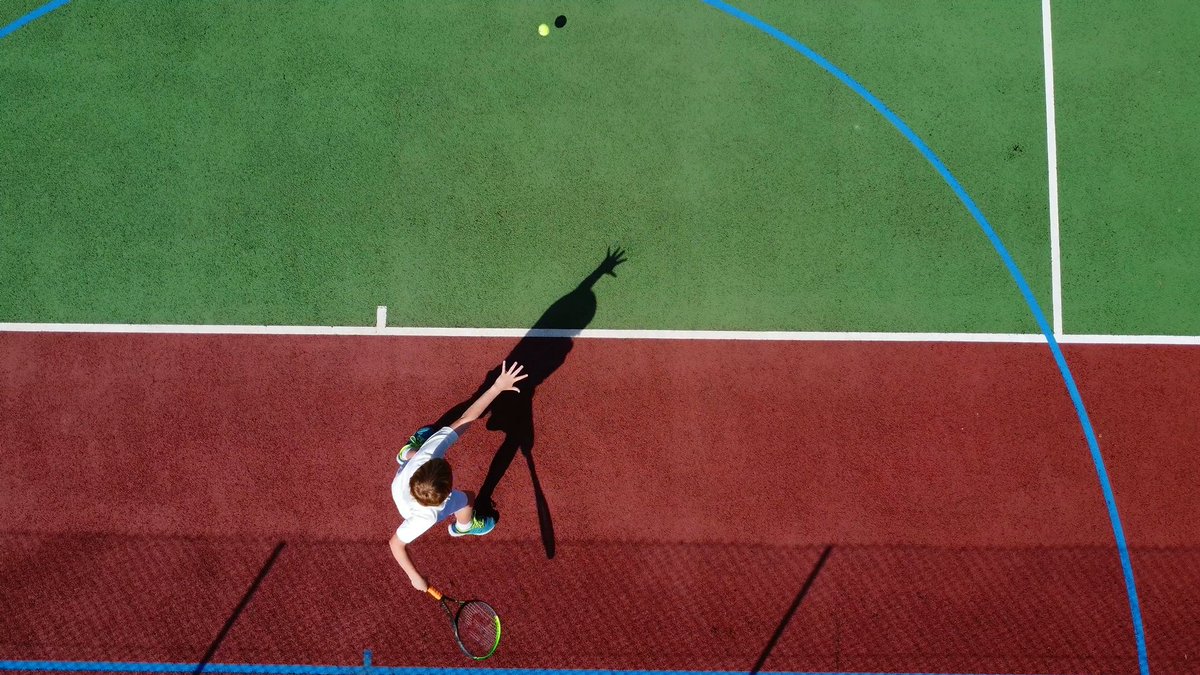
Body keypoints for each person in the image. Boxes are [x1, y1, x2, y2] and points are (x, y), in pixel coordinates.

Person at [387, 361, 528, 591]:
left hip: (400, 485)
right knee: (468, 499)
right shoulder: (427, 517)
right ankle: (463, 527)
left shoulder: (426, 457)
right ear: (445, 493)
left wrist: (496, 387)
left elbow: (465, 420)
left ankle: (405, 455)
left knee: (422, 446)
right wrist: (415, 577)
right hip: (410, 506)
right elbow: (396, 544)